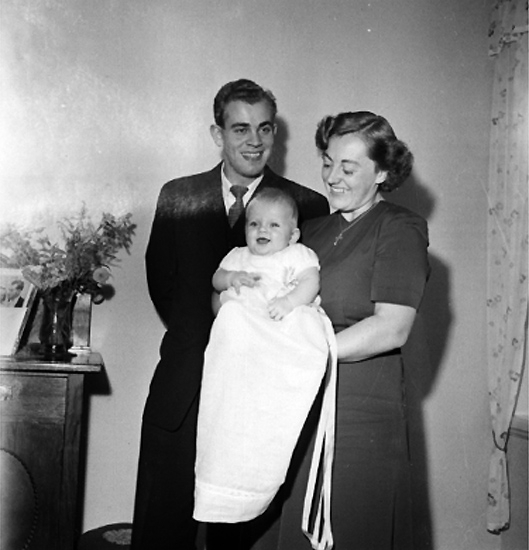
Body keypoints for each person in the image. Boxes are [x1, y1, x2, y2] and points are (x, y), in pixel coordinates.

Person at [131, 79, 329, 550]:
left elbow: (308, 289)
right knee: (162, 529)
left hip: (259, 399)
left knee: (241, 536)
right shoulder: (178, 195)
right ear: (217, 134)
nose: (255, 141)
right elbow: (164, 286)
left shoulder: (307, 205)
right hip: (184, 385)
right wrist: (215, 322)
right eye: (241, 129)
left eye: (265, 128)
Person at [283, 111, 430, 550]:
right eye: (328, 163)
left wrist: (308, 350)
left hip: (360, 413)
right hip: (298, 407)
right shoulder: (310, 231)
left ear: (382, 172)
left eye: (348, 168)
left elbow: (391, 328)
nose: (332, 177)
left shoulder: (400, 228)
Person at [194, 188, 330, 527]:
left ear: (292, 235)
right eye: (254, 224)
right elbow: (216, 279)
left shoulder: (297, 255)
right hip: (243, 333)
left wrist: (289, 302)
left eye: (273, 225)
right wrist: (231, 278)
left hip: (275, 325)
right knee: (231, 322)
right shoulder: (238, 256)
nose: (262, 230)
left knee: (298, 326)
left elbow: (310, 283)